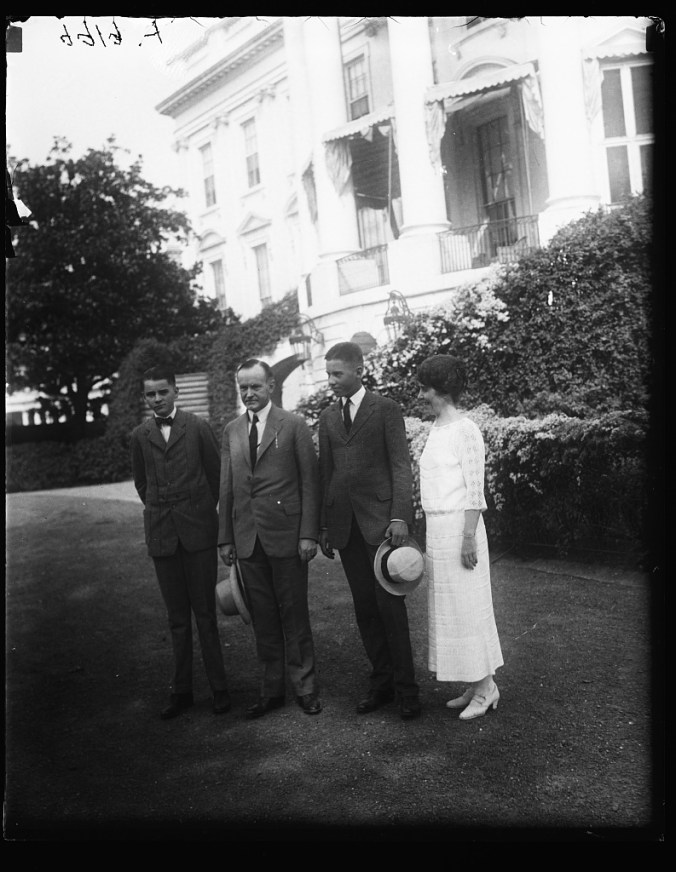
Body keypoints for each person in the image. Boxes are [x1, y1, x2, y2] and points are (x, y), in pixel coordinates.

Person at [318, 341, 421, 720]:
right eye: (328, 374)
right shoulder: (327, 417)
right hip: (345, 528)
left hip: (382, 527)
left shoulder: (386, 409)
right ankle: (382, 684)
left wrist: (399, 517)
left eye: (338, 374)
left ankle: (408, 691)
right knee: (364, 608)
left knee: (390, 606)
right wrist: (325, 525)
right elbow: (325, 473)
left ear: (359, 370)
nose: (331, 381)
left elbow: (400, 465)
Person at [218, 358, 322, 719]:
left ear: (271, 386)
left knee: (294, 613)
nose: (248, 393)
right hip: (247, 539)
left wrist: (308, 533)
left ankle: (305, 688)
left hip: (287, 536)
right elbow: (227, 487)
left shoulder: (293, 425)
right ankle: (271, 689)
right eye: (243, 387)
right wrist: (225, 539)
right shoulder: (232, 430)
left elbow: (311, 482)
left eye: (255, 386)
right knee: (262, 616)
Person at [131, 365, 231, 720]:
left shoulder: (198, 427)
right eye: (150, 394)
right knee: (176, 618)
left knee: (205, 614)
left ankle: (220, 687)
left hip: (198, 534)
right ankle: (182, 690)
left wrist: (198, 512)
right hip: (163, 536)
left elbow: (217, 476)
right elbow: (142, 485)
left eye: (162, 392)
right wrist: (163, 513)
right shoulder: (141, 435)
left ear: (176, 391)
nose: (157, 399)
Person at [417, 355, 503, 721]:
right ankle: (474, 681)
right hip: (438, 529)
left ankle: (486, 690)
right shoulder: (435, 429)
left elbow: (473, 491)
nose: (421, 395)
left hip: (460, 530)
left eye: (425, 388)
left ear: (444, 390)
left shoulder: (466, 430)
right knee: (451, 610)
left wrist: (468, 537)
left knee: (468, 609)